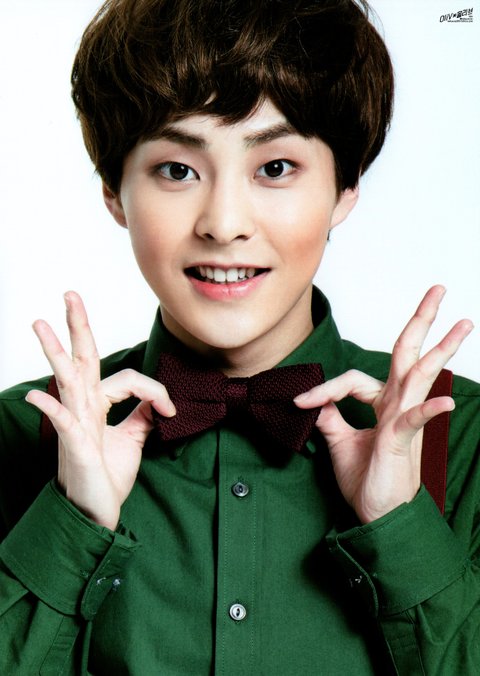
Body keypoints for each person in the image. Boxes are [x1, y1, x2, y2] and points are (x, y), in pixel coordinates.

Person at [0, 0, 478, 673]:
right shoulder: (21, 435)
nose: (224, 224)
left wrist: (400, 527)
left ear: (346, 187)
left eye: (275, 168)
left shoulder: (465, 438)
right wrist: (72, 525)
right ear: (113, 190)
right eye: (177, 170)